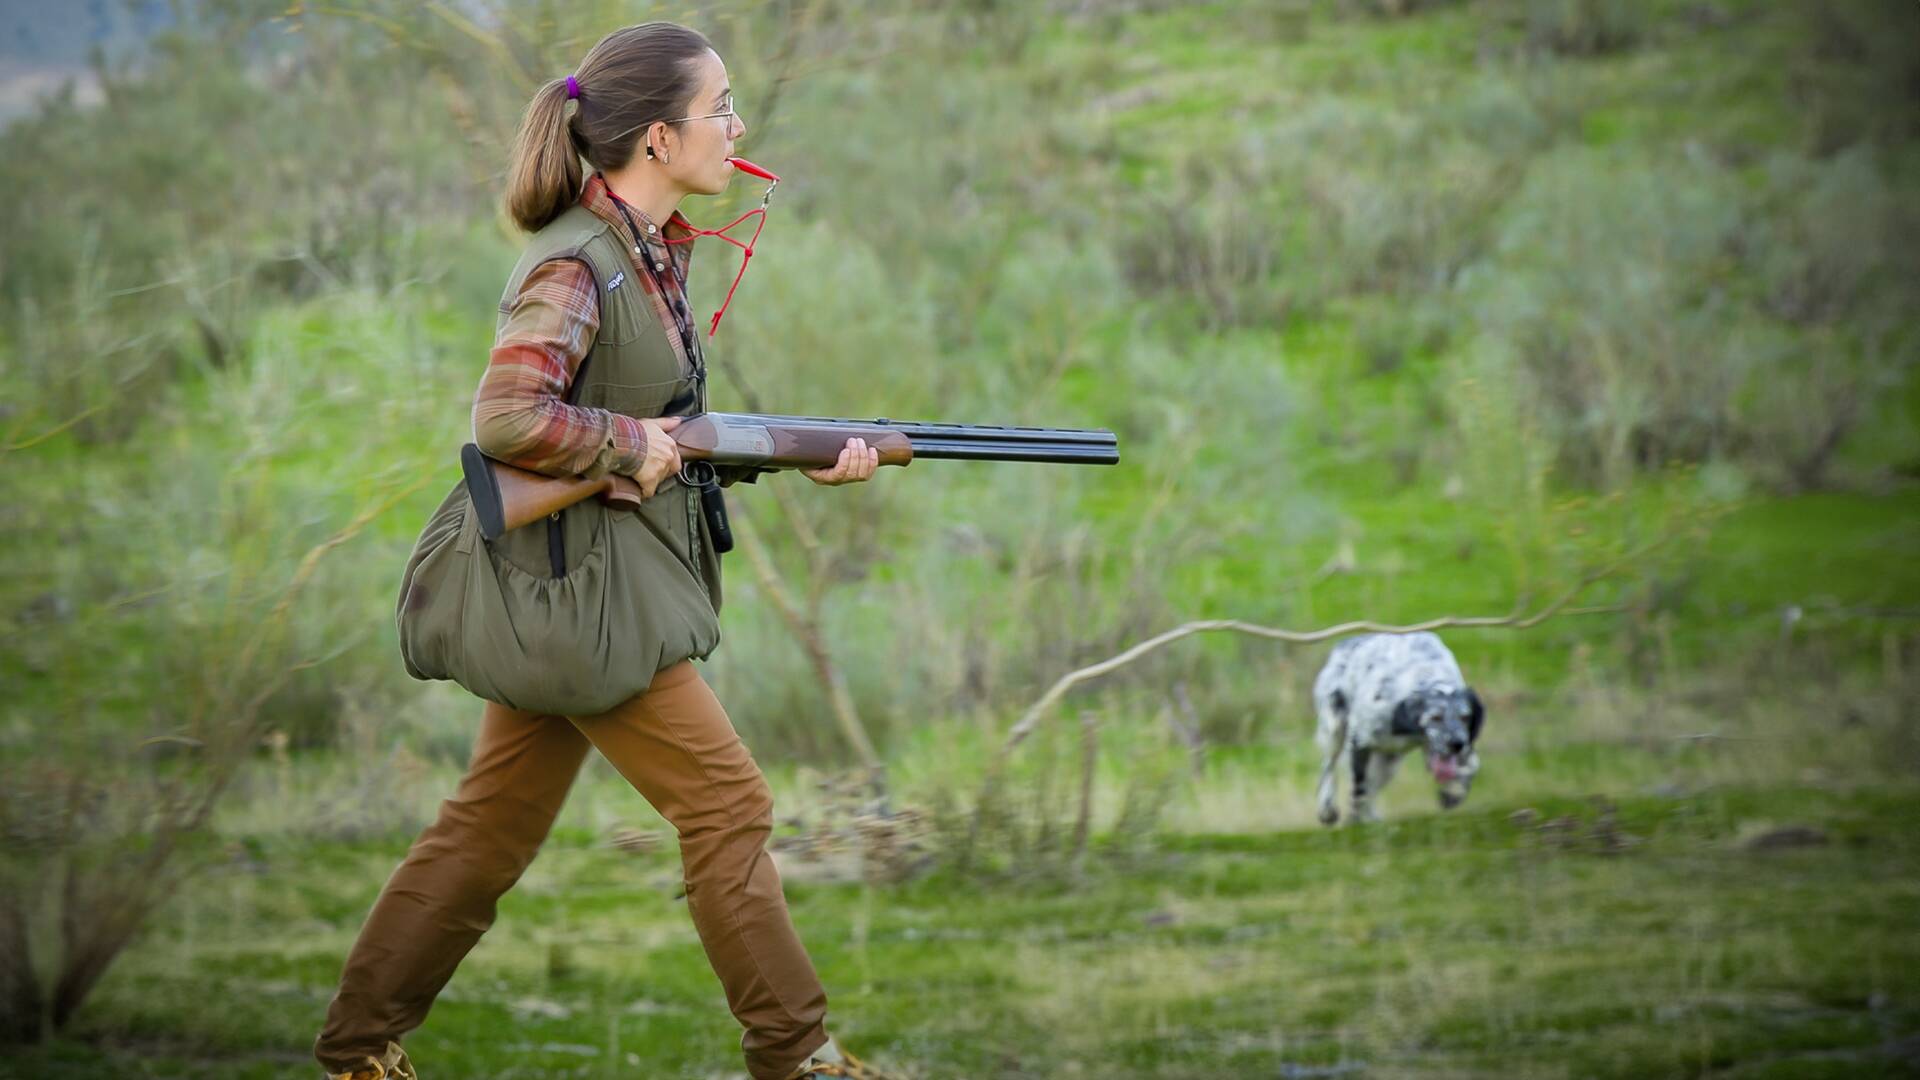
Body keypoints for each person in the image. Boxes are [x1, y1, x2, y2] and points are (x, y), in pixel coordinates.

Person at [314, 21, 890, 1080]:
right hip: (581, 601)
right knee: (728, 805)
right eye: (721, 107)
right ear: (659, 139)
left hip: (571, 590)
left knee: (491, 825)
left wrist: (791, 453)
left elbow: (659, 425)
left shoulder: (642, 252)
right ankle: (798, 1056)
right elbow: (507, 419)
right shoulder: (580, 265)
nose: (738, 125)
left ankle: (357, 1050)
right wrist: (636, 445)